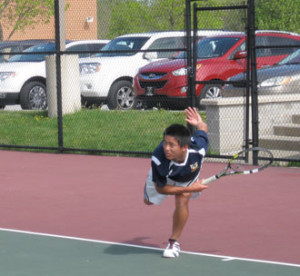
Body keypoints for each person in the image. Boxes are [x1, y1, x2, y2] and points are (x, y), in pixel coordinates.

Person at [143, 107, 209, 258]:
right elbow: (161, 189)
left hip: (188, 176)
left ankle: (173, 242)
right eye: (165, 143)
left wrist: (199, 122)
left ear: (184, 147)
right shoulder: (159, 158)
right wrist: (192, 189)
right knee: (148, 202)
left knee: (182, 200)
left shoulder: (198, 149)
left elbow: (203, 129)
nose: (166, 148)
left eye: (171, 145)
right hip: (165, 178)